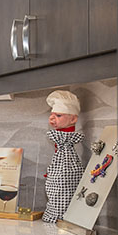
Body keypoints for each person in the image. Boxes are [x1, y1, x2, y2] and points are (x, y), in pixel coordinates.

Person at [43, 90, 84, 223]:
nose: (51, 119)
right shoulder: (61, 144)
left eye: (58, 115)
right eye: (52, 115)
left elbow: (63, 184)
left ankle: (61, 216)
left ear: (73, 119)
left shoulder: (65, 145)